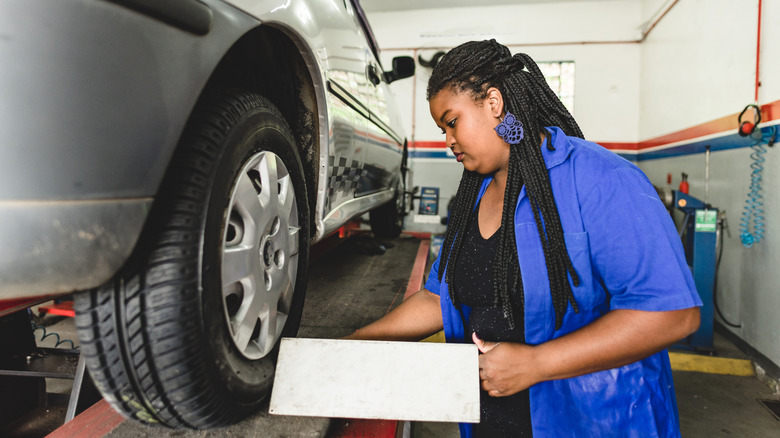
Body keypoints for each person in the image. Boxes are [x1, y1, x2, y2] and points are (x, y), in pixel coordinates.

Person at [347, 39, 701, 437]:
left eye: (452, 121)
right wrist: (358, 341)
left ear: (493, 103)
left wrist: (537, 364)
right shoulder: (474, 194)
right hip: (491, 422)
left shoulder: (602, 180)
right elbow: (438, 297)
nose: (447, 139)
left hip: (594, 422)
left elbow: (672, 314)